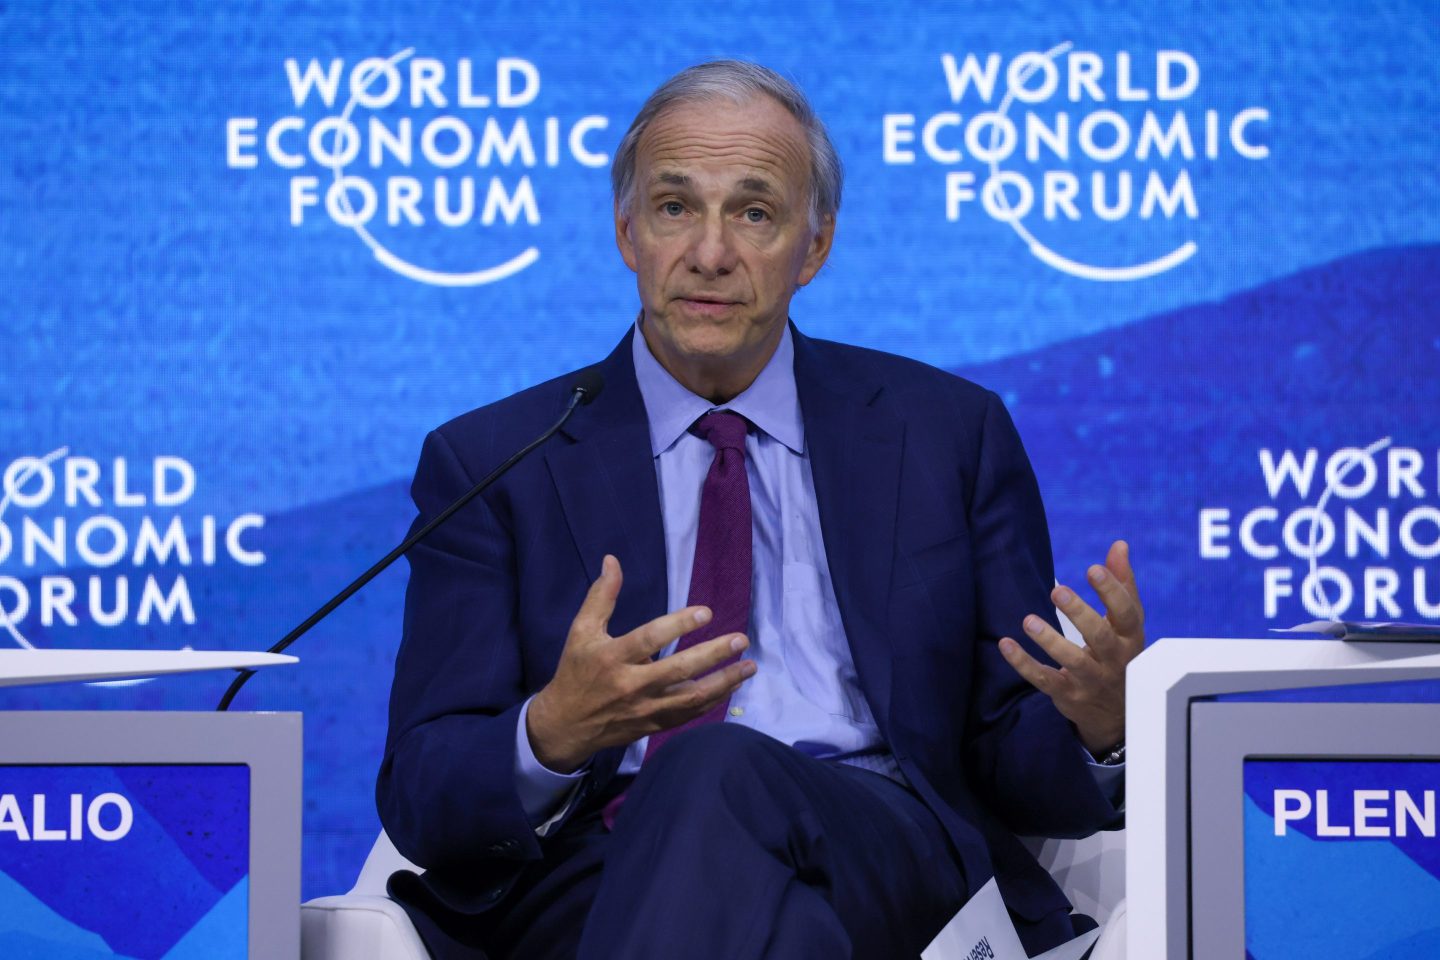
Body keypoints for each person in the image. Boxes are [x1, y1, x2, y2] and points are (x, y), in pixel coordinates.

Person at [377, 60, 1144, 960]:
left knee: (714, 767)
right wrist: (552, 733)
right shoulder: (495, 462)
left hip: (882, 847)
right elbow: (424, 794)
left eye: (753, 212)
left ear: (814, 247)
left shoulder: (945, 435)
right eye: (674, 208)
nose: (709, 253)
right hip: (600, 867)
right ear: (627, 233)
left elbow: (1009, 758)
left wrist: (1104, 722)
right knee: (786, 931)